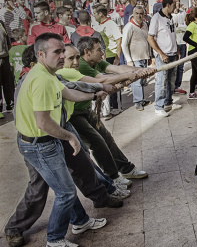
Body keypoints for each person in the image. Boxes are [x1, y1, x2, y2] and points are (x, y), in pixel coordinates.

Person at [6, 43, 128, 247]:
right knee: (52, 189)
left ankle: (87, 212)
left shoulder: (50, 74)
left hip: (56, 133)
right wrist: (70, 137)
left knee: (82, 166)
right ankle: (24, 231)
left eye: (65, 53)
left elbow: (69, 90)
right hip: (42, 141)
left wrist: (94, 94)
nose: (63, 58)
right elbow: (43, 122)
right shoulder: (39, 80)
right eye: (59, 53)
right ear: (39, 57)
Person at [72, 36, 149, 185]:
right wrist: (131, 75)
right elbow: (103, 80)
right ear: (87, 52)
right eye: (99, 49)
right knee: (97, 143)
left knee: (106, 139)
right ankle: (113, 178)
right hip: (74, 114)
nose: (102, 53)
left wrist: (143, 70)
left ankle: (126, 169)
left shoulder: (95, 61)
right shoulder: (80, 65)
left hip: (86, 110)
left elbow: (118, 69)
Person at [148, 0, 182, 118]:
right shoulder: (156, 18)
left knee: (171, 81)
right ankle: (159, 106)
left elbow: (172, 35)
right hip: (163, 56)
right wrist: (161, 53)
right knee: (161, 81)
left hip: (173, 53)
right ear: (168, 5)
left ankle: (168, 103)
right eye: (174, 4)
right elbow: (150, 37)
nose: (176, 6)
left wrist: (177, 49)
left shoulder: (171, 17)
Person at [121, 6, 152, 111]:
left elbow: (147, 41)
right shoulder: (129, 27)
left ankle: (141, 100)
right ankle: (137, 101)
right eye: (137, 13)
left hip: (144, 57)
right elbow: (124, 44)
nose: (139, 16)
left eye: (141, 14)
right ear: (133, 14)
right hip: (135, 58)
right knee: (136, 81)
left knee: (142, 80)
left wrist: (149, 55)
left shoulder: (145, 25)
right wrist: (129, 60)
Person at [172, 0, 187, 95]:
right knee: (173, 66)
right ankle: (171, 86)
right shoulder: (170, 15)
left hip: (182, 42)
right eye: (175, 1)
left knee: (181, 66)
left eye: (178, 1)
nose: (177, 3)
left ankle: (177, 86)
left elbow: (187, 27)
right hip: (173, 44)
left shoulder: (183, 13)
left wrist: (179, 27)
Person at [0, 20, 13, 119]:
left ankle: (10, 104)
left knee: (8, 82)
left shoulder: (1, 23)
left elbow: (7, 39)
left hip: (5, 57)